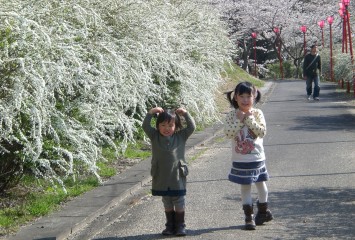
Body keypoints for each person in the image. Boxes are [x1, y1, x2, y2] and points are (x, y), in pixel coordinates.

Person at [223, 81, 273, 230]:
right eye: (242, 96)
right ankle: (248, 218)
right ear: (236, 98)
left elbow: (261, 132)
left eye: (248, 96)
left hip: (257, 158)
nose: (245, 100)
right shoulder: (232, 114)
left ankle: (263, 212)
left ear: (254, 96)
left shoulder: (258, 113)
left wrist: (249, 118)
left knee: (261, 185)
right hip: (240, 159)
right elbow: (228, 133)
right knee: (245, 187)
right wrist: (239, 119)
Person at [142, 106, 196, 236]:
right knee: (167, 201)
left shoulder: (181, 136)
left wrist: (186, 114)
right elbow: (145, 126)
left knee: (179, 200)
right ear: (158, 126)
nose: (167, 128)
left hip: (177, 175)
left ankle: (180, 226)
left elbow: (191, 127)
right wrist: (150, 113)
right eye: (163, 125)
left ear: (176, 126)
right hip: (162, 176)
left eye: (170, 125)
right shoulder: (155, 136)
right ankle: (170, 226)